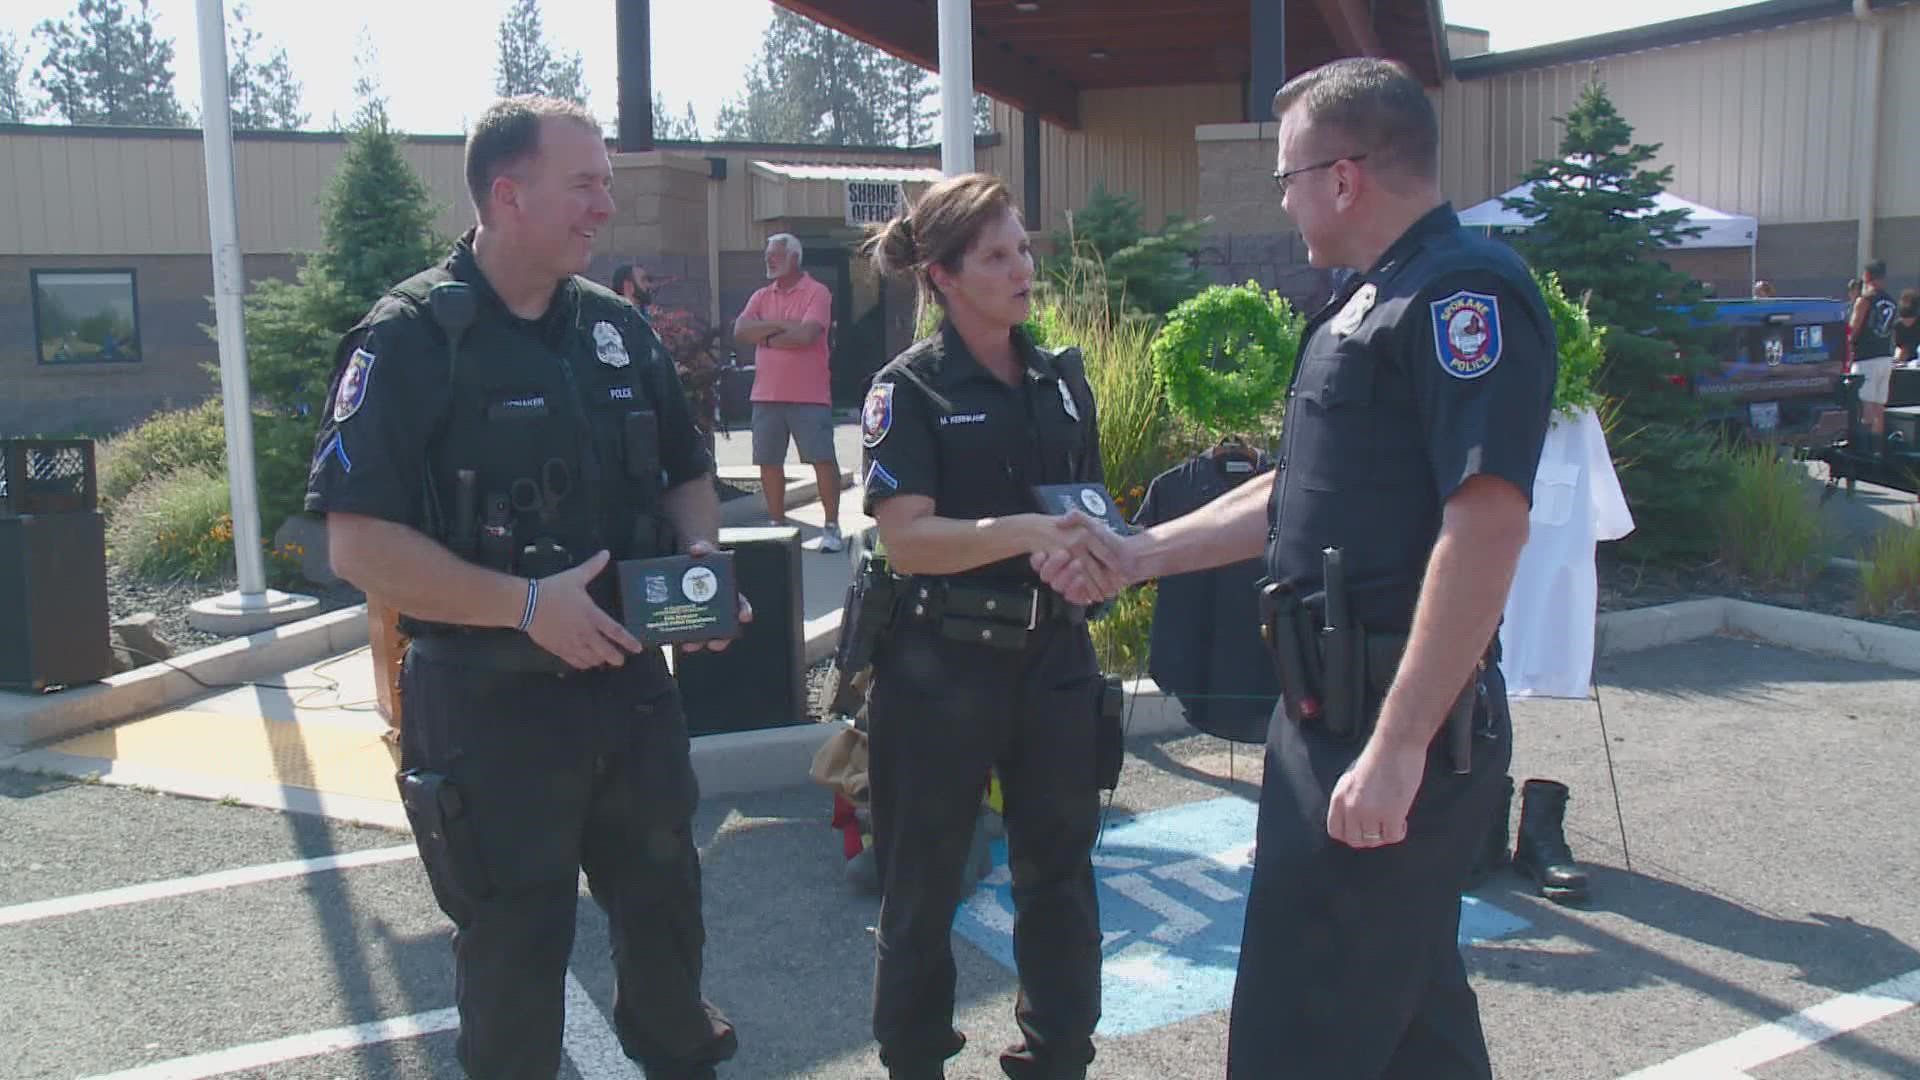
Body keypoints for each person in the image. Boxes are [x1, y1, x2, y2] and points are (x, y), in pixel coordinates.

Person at [1039, 58, 1555, 1079]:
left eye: (1287, 176)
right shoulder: (1370, 300)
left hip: (1388, 718)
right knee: (1411, 1027)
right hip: (1325, 710)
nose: (1283, 199)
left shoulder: (1460, 296)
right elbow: (1300, 488)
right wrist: (1142, 555)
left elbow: (1487, 524)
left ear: (1344, 177)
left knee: (1300, 1036)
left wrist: (1398, 747)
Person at [304, 96, 745, 1080]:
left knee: (669, 940)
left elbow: (685, 472)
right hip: (488, 712)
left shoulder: (616, 331)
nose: (606, 206)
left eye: (606, 184)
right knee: (512, 970)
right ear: (508, 196)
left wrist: (699, 561)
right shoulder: (412, 338)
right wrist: (527, 606)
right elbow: (357, 543)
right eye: (584, 184)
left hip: (629, 695)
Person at [857, 172, 1118, 1080]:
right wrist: (1027, 533)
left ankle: (1058, 1054)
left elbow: (1088, 506)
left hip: (1054, 659)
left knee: (1060, 874)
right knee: (922, 885)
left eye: (1024, 250)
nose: (1022, 270)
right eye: (997, 256)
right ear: (943, 275)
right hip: (942, 666)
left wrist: (1098, 559)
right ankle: (914, 1058)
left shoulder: (1061, 379)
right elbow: (907, 540)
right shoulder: (909, 390)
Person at [733, 233, 844, 551]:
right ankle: (777, 525)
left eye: (776, 255)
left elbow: (806, 335)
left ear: (794, 258)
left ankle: (831, 527)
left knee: (822, 460)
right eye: (767, 254)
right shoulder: (760, 295)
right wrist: (782, 328)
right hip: (765, 395)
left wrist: (764, 334)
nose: (769, 260)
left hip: (809, 395)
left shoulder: (817, 292)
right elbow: (740, 330)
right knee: (768, 462)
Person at [1849, 260, 1899, 441]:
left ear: (1867, 276)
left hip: (1866, 358)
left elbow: (1853, 330)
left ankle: (1865, 445)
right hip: (1885, 357)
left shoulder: (1865, 300)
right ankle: (1878, 446)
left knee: (1866, 405)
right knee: (1879, 407)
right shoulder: (1892, 302)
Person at [1894, 288, 1919, 367]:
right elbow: (1899, 347)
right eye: (1904, 320)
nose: (1907, 324)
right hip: (1904, 363)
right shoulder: (1898, 326)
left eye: (1910, 320)